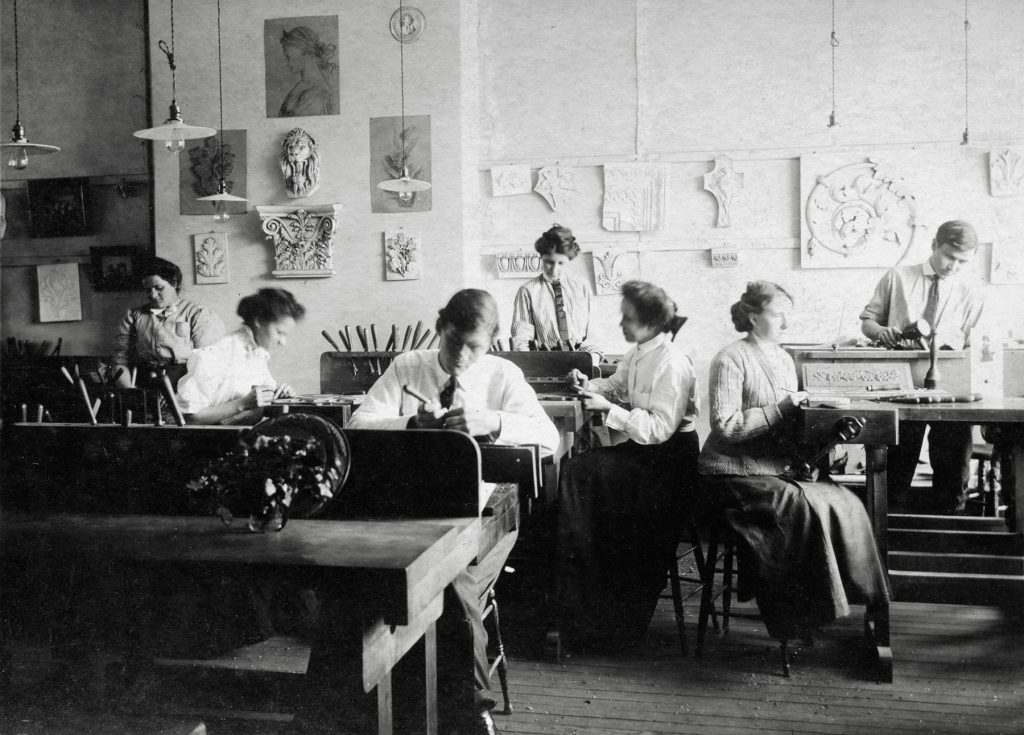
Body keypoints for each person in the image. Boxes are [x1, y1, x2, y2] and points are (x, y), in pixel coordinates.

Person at [327, 288, 558, 734]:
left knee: (444, 577)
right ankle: (444, 709)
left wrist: (494, 421)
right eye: (455, 343)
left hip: (479, 511)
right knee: (405, 578)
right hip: (409, 511)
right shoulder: (408, 366)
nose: (464, 356)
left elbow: (547, 437)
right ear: (440, 328)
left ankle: (463, 708)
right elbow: (358, 426)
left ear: (491, 341)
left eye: (476, 346)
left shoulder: (502, 374)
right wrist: (413, 423)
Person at [698, 280, 889, 645]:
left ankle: (861, 601)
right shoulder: (730, 358)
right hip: (729, 471)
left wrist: (809, 452)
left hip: (770, 469)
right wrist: (782, 407)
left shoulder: (784, 359)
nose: (786, 323)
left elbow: (786, 427)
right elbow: (725, 427)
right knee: (798, 507)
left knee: (841, 499)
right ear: (753, 317)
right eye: (778, 314)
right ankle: (796, 618)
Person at [555, 280, 699, 649]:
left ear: (652, 323)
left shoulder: (673, 363)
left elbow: (660, 429)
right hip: (643, 456)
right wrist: (591, 385)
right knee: (580, 473)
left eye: (628, 318)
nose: (621, 323)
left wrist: (609, 411)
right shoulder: (639, 352)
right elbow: (618, 386)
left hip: (669, 462)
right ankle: (584, 602)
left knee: (580, 475)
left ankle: (607, 612)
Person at [859, 220, 985, 514]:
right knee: (896, 465)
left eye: (962, 261)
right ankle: (887, 532)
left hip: (950, 382)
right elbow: (868, 321)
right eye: (948, 256)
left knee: (953, 468)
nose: (953, 265)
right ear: (933, 246)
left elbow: (971, 343)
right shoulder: (898, 277)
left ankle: (949, 530)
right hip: (901, 380)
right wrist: (880, 332)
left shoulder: (971, 290)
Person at [176, 288, 304, 425]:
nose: (282, 342)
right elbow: (188, 418)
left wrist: (279, 395)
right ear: (259, 321)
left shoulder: (257, 353)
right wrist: (243, 404)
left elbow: (260, 400)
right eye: (279, 332)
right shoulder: (217, 354)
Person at [111, 256, 223, 390]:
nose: (153, 295)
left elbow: (207, 364)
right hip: (145, 384)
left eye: (159, 288)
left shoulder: (198, 314)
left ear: (174, 284)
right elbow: (120, 361)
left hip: (186, 385)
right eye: (148, 290)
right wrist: (130, 392)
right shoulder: (134, 316)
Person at [510, 224, 599, 357]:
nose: (554, 269)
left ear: (569, 260)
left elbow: (593, 331)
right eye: (549, 262)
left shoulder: (582, 287)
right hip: (544, 360)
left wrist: (591, 358)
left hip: (582, 356)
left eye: (561, 263)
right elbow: (522, 338)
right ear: (541, 258)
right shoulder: (527, 291)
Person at [278, 26, 337, 118]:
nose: (288, 63)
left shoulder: (316, 93)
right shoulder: (304, 85)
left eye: (290, 56)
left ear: (306, 53)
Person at [279, 127, 321, 198]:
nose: (294, 151)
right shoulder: (286, 161)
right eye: (291, 147)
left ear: (311, 149)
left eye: (302, 147)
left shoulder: (312, 159)